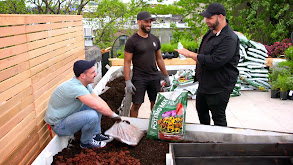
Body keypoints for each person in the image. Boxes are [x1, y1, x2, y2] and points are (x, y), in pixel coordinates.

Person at [175, 3, 240, 126]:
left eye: (209, 18)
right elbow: (203, 55)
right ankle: (206, 140)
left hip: (219, 86)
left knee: (218, 117)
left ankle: (220, 143)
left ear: (220, 17)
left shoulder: (229, 38)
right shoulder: (211, 33)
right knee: (201, 111)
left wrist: (190, 54)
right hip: (205, 83)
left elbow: (215, 61)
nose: (206, 21)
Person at [44, 60, 121, 148]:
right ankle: (86, 143)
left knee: (96, 105)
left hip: (69, 116)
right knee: (92, 116)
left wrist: (114, 115)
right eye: (92, 73)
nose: (95, 74)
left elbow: (98, 101)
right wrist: (115, 117)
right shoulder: (76, 88)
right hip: (59, 125)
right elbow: (97, 106)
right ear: (83, 76)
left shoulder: (84, 85)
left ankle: (96, 134)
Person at [124, 11, 170, 117]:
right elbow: (127, 62)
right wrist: (127, 81)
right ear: (139, 22)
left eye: (150, 22)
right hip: (139, 78)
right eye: (146, 22)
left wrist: (166, 75)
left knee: (155, 104)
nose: (149, 24)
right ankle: (133, 127)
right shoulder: (132, 41)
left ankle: (154, 127)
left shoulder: (154, 39)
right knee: (136, 105)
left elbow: (159, 59)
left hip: (154, 76)